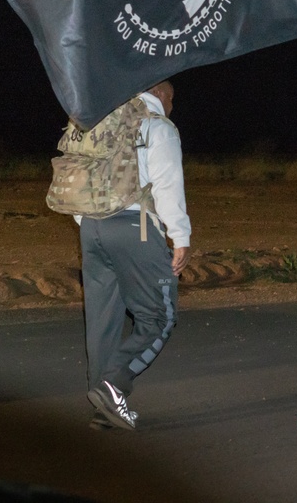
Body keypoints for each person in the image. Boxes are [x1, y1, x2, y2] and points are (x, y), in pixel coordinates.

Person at [79, 79, 191, 431]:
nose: (172, 106)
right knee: (159, 317)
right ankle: (114, 386)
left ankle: (105, 405)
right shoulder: (157, 127)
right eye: (172, 98)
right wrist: (180, 236)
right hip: (135, 227)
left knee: (102, 322)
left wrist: (87, 223)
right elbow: (167, 185)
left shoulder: (101, 123)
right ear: (160, 93)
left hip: (90, 227)